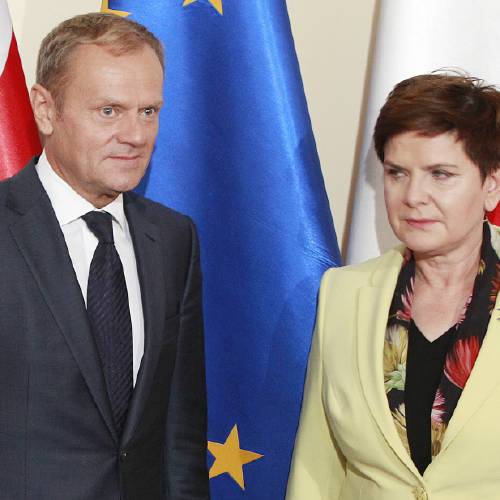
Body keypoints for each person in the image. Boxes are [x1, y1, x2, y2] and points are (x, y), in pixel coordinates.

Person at [0, 13, 209, 499]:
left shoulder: (174, 239)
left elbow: (180, 432)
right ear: (46, 110)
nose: (136, 136)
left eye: (149, 111)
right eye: (109, 111)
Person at [286, 73, 500, 499]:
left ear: (491, 185)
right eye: (397, 173)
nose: (413, 195)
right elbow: (317, 465)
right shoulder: (342, 293)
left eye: (440, 174)